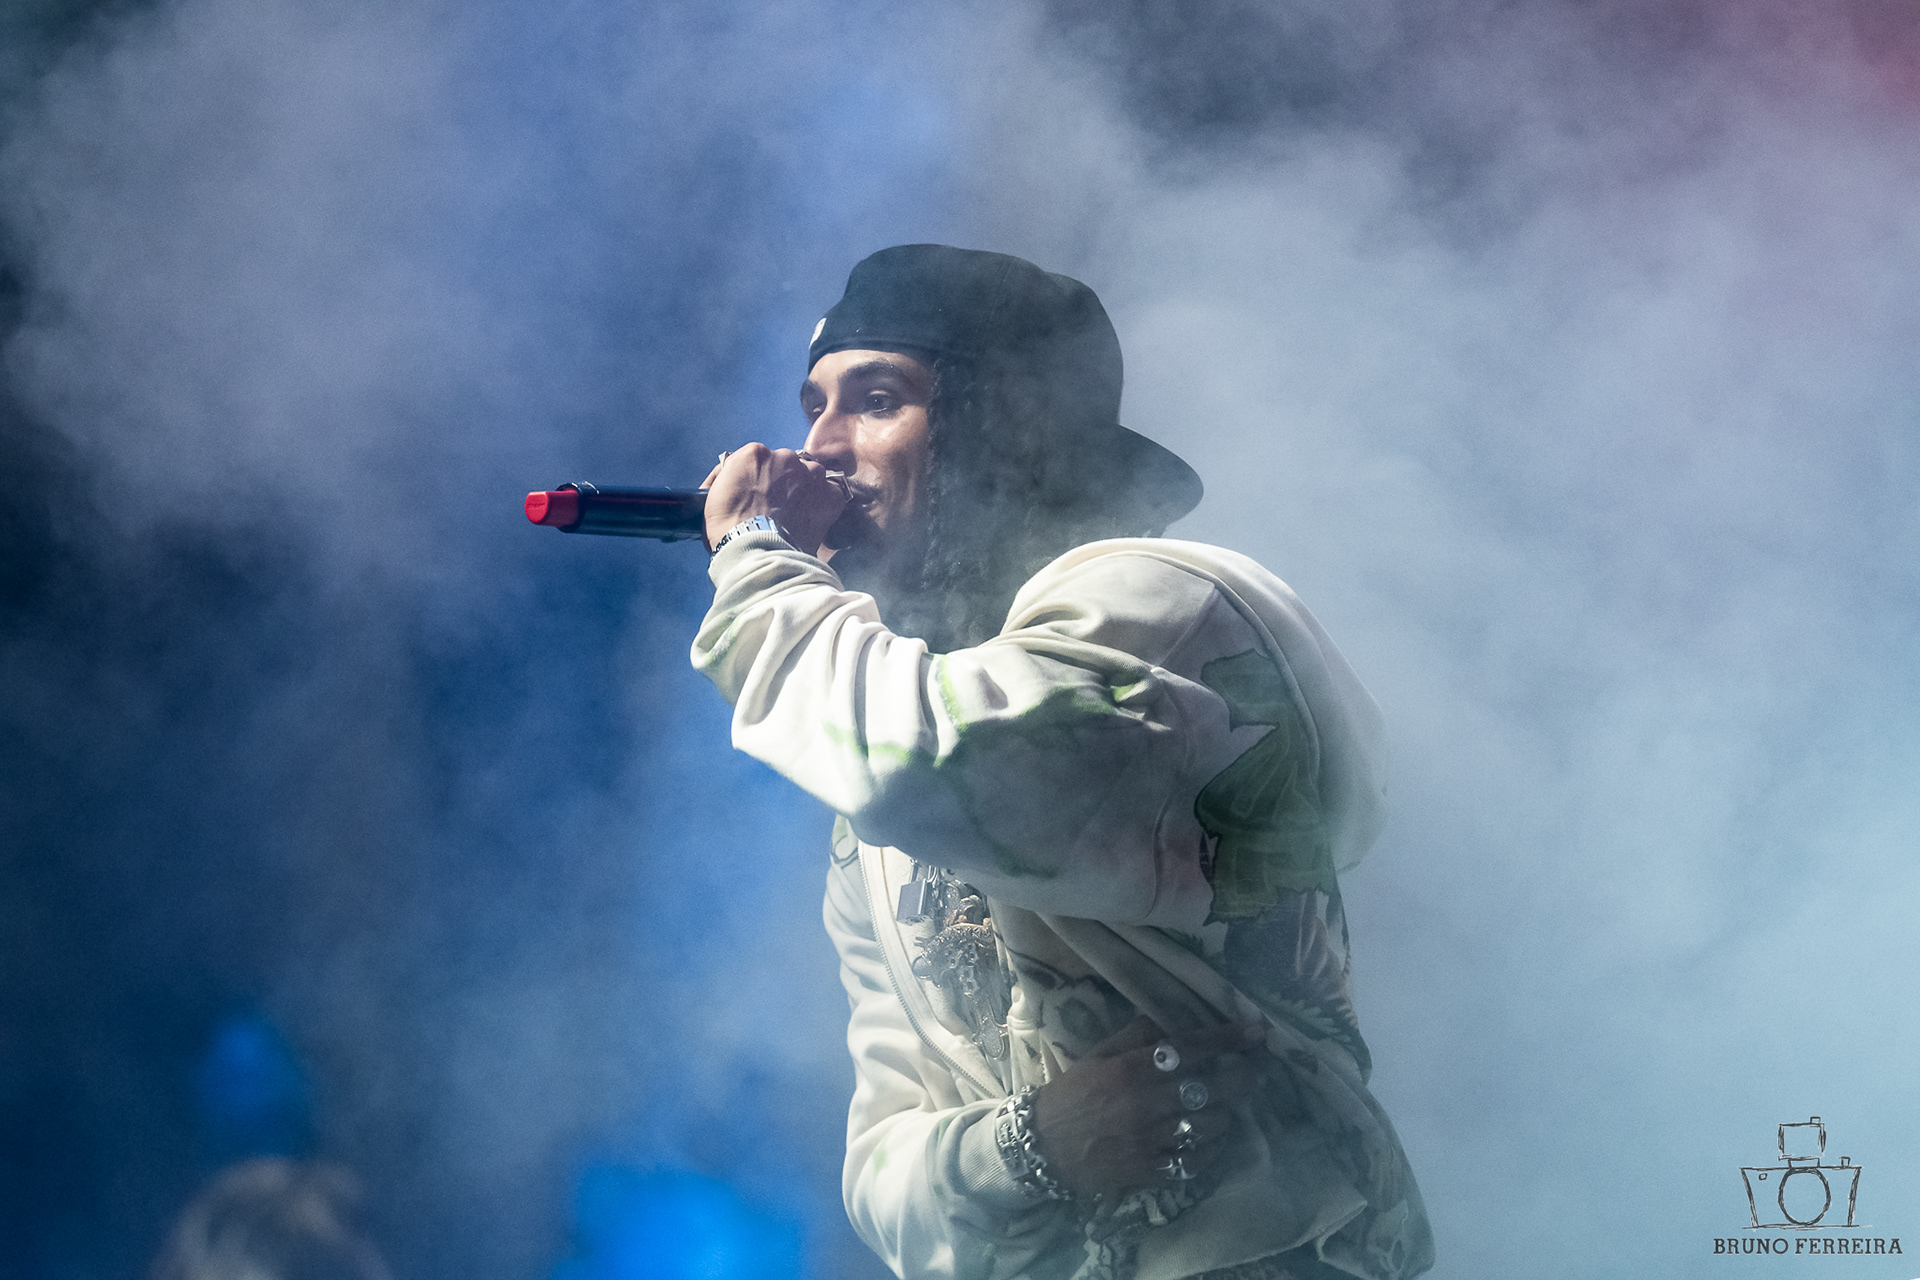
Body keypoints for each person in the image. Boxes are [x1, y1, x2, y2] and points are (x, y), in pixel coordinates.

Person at [691, 245, 1432, 1280]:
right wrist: (1033, 1146)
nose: (817, 449)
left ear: (1002, 432)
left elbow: (922, 759)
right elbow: (882, 1168)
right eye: (814, 406)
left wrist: (759, 554)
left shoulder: (1164, 608)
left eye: (877, 400)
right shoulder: (877, 800)